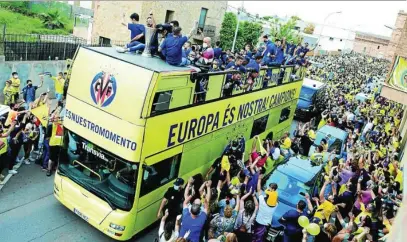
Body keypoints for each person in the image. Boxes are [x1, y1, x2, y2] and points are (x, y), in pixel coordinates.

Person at [252, 177, 278, 242]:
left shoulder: (262, 200)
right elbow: (275, 199)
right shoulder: (276, 205)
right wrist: (273, 193)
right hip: (265, 225)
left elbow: (258, 190)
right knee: (260, 239)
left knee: (254, 236)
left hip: (258, 221)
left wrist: (259, 179)